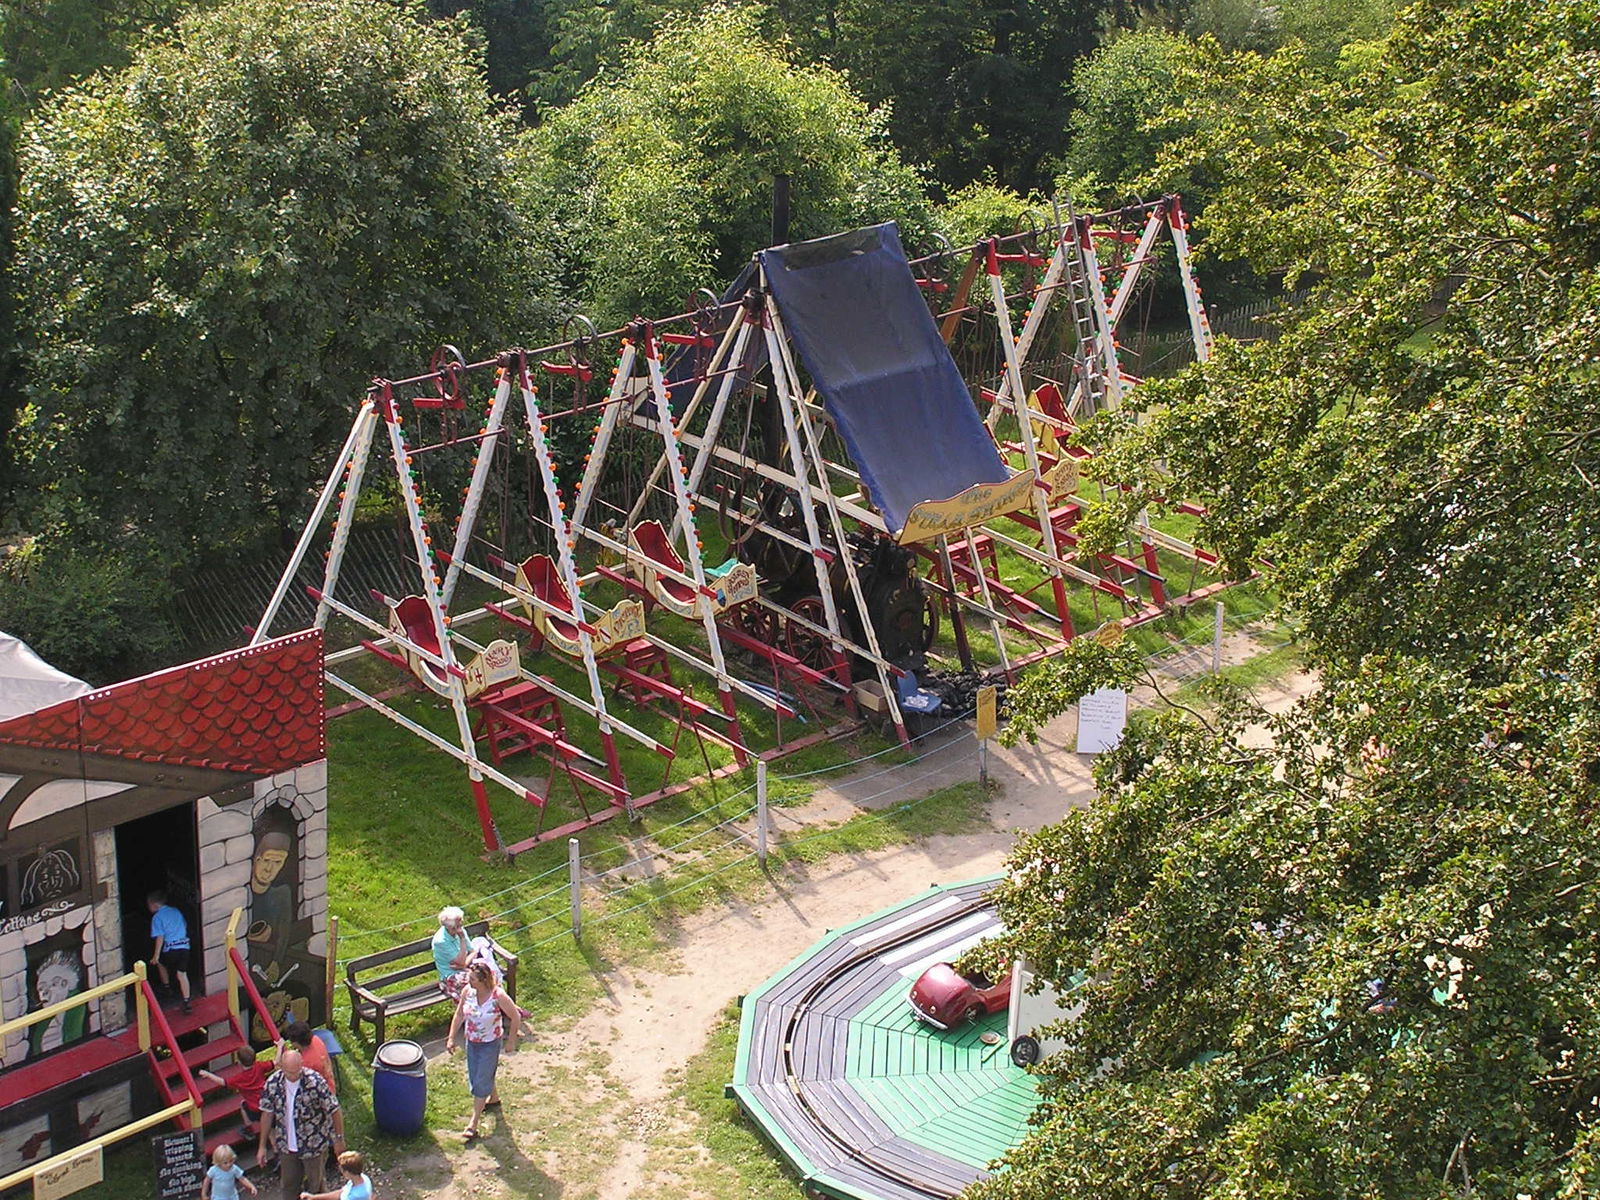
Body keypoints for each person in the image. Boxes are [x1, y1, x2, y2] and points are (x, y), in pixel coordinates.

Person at [446, 960, 520, 1141]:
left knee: (479, 1082)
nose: (468, 981)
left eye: (472, 978)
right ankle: (493, 1097)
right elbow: (459, 1014)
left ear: (483, 980)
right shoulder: (467, 992)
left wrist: (511, 1040)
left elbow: (515, 1016)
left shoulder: (498, 996)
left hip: (490, 1044)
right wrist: (451, 1037)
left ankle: (473, 1123)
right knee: (479, 1075)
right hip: (472, 1042)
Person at [257, 1049, 345, 1197]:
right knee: (289, 1186)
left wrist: (339, 1139)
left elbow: (334, 1109)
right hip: (286, 1146)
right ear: (281, 1068)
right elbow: (267, 1114)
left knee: (316, 1186)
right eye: (290, 1073)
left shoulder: (315, 1081)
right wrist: (262, 1146)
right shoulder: (273, 1083)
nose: (294, 1076)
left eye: (297, 1071)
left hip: (314, 1146)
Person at [247, 831, 295, 985]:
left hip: (263, 964)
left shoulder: (281, 894)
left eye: (277, 862)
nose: (269, 869)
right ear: (256, 859)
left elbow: (284, 930)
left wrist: (276, 962)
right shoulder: (240, 891)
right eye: (266, 860)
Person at [27, 949, 87, 1057]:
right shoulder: (43, 1021)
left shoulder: (78, 1007)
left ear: (65, 984)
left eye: (53, 984)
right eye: (41, 988)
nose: (44, 993)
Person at [199, 1047, 271, 1135]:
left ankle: (249, 1129)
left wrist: (208, 1075)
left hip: (254, 1109)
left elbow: (223, 1082)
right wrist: (279, 1046)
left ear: (239, 1061)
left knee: (243, 1105)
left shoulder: (239, 1079)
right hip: (267, 1103)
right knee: (271, 1129)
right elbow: (274, 1063)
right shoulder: (260, 1066)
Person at [148, 888, 193, 1014]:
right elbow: (184, 925)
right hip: (184, 947)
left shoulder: (157, 917)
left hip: (171, 949)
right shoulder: (176, 911)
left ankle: (166, 986)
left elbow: (160, 936)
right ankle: (187, 1001)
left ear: (154, 905)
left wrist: (156, 955)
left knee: (161, 962)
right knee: (182, 974)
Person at [280, 1022, 336, 1095]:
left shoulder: (305, 1063)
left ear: (296, 1043)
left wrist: (281, 1049)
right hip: (329, 1084)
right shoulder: (316, 1040)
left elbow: (292, 1078)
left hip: (321, 1093)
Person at [431, 907, 472, 1002]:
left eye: (461, 921)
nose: (461, 925)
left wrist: (464, 965)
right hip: (451, 975)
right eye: (458, 923)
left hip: (465, 969)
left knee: (487, 976)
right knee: (476, 984)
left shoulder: (460, 929)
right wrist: (462, 939)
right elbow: (461, 962)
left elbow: (473, 951)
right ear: (450, 927)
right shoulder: (441, 941)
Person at [298, 1150, 372, 1200]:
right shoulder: (363, 1178)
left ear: (347, 1172)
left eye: (341, 1170)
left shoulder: (356, 1196)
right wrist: (313, 1197)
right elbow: (341, 1193)